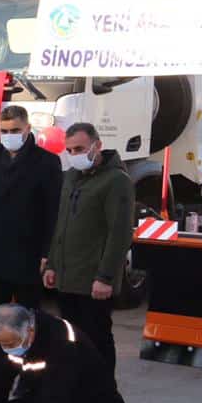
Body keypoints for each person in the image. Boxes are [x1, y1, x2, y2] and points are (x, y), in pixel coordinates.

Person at [43, 122, 133, 372]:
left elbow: (120, 233)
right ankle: (78, 385)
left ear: (97, 146)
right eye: (69, 150)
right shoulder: (71, 177)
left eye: (80, 148)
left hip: (93, 281)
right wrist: (51, 264)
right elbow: (60, 224)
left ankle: (103, 393)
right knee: (72, 337)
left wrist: (105, 277)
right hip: (67, 276)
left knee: (97, 338)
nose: (74, 155)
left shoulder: (116, 181)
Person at [0, 104, 62, 318]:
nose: (9, 136)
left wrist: (47, 254)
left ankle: (29, 353)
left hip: (28, 256)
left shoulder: (46, 162)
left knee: (28, 321)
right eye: (4, 131)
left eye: (15, 131)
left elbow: (52, 212)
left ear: (27, 128)